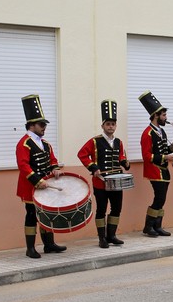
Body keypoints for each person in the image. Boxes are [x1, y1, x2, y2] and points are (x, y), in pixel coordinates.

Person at [15, 94, 65, 259]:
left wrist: (55, 169)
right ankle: (30, 248)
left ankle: (49, 244)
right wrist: (37, 181)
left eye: (44, 124)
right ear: (31, 125)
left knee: (47, 214)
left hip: (46, 185)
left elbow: (52, 160)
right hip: (31, 185)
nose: (44, 127)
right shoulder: (24, 143)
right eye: (41, 125)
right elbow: (23, 166)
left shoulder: (46, 144)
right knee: (31, 215)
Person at [77, 100, 129, 248]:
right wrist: (93, 167)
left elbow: (121, 157)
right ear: (103, 126)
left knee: (116, 208)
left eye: (113, 124)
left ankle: (111, 235)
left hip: (116, 180)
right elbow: (82, 154)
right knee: (101, 209)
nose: (111, 127)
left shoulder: (118, 141)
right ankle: (102, 238)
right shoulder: (95, 141)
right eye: (108, 124)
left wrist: (125, 162)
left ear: (115, 126)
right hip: (101, 181)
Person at [139, 91, 173, 238]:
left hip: (164, 169)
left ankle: (157, 226)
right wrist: (166, 156)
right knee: (159, 198)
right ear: (156, 115)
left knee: (162, 198)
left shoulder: (161, 131)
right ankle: (148, 226)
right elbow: (147, 156)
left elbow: (163, 149)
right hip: (154, 170)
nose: (166, 118)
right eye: (163, 115)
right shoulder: (147, 133)